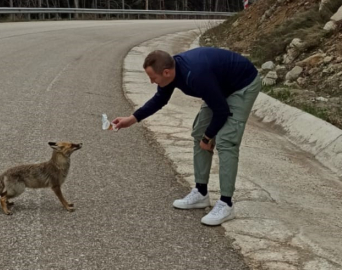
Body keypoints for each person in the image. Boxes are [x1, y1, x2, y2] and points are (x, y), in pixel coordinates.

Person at [112, 47, 261, 226]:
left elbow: (221, 111)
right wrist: (132, 119)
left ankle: (226, 204)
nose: (152, 82)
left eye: (153, 78)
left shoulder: (196, 75)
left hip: (242, 84)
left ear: (166, 72)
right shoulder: (172, 72)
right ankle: (201, 193)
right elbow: (160, 99)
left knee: (226, 141)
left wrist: (208, 139)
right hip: (220, 85)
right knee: (199, 132)